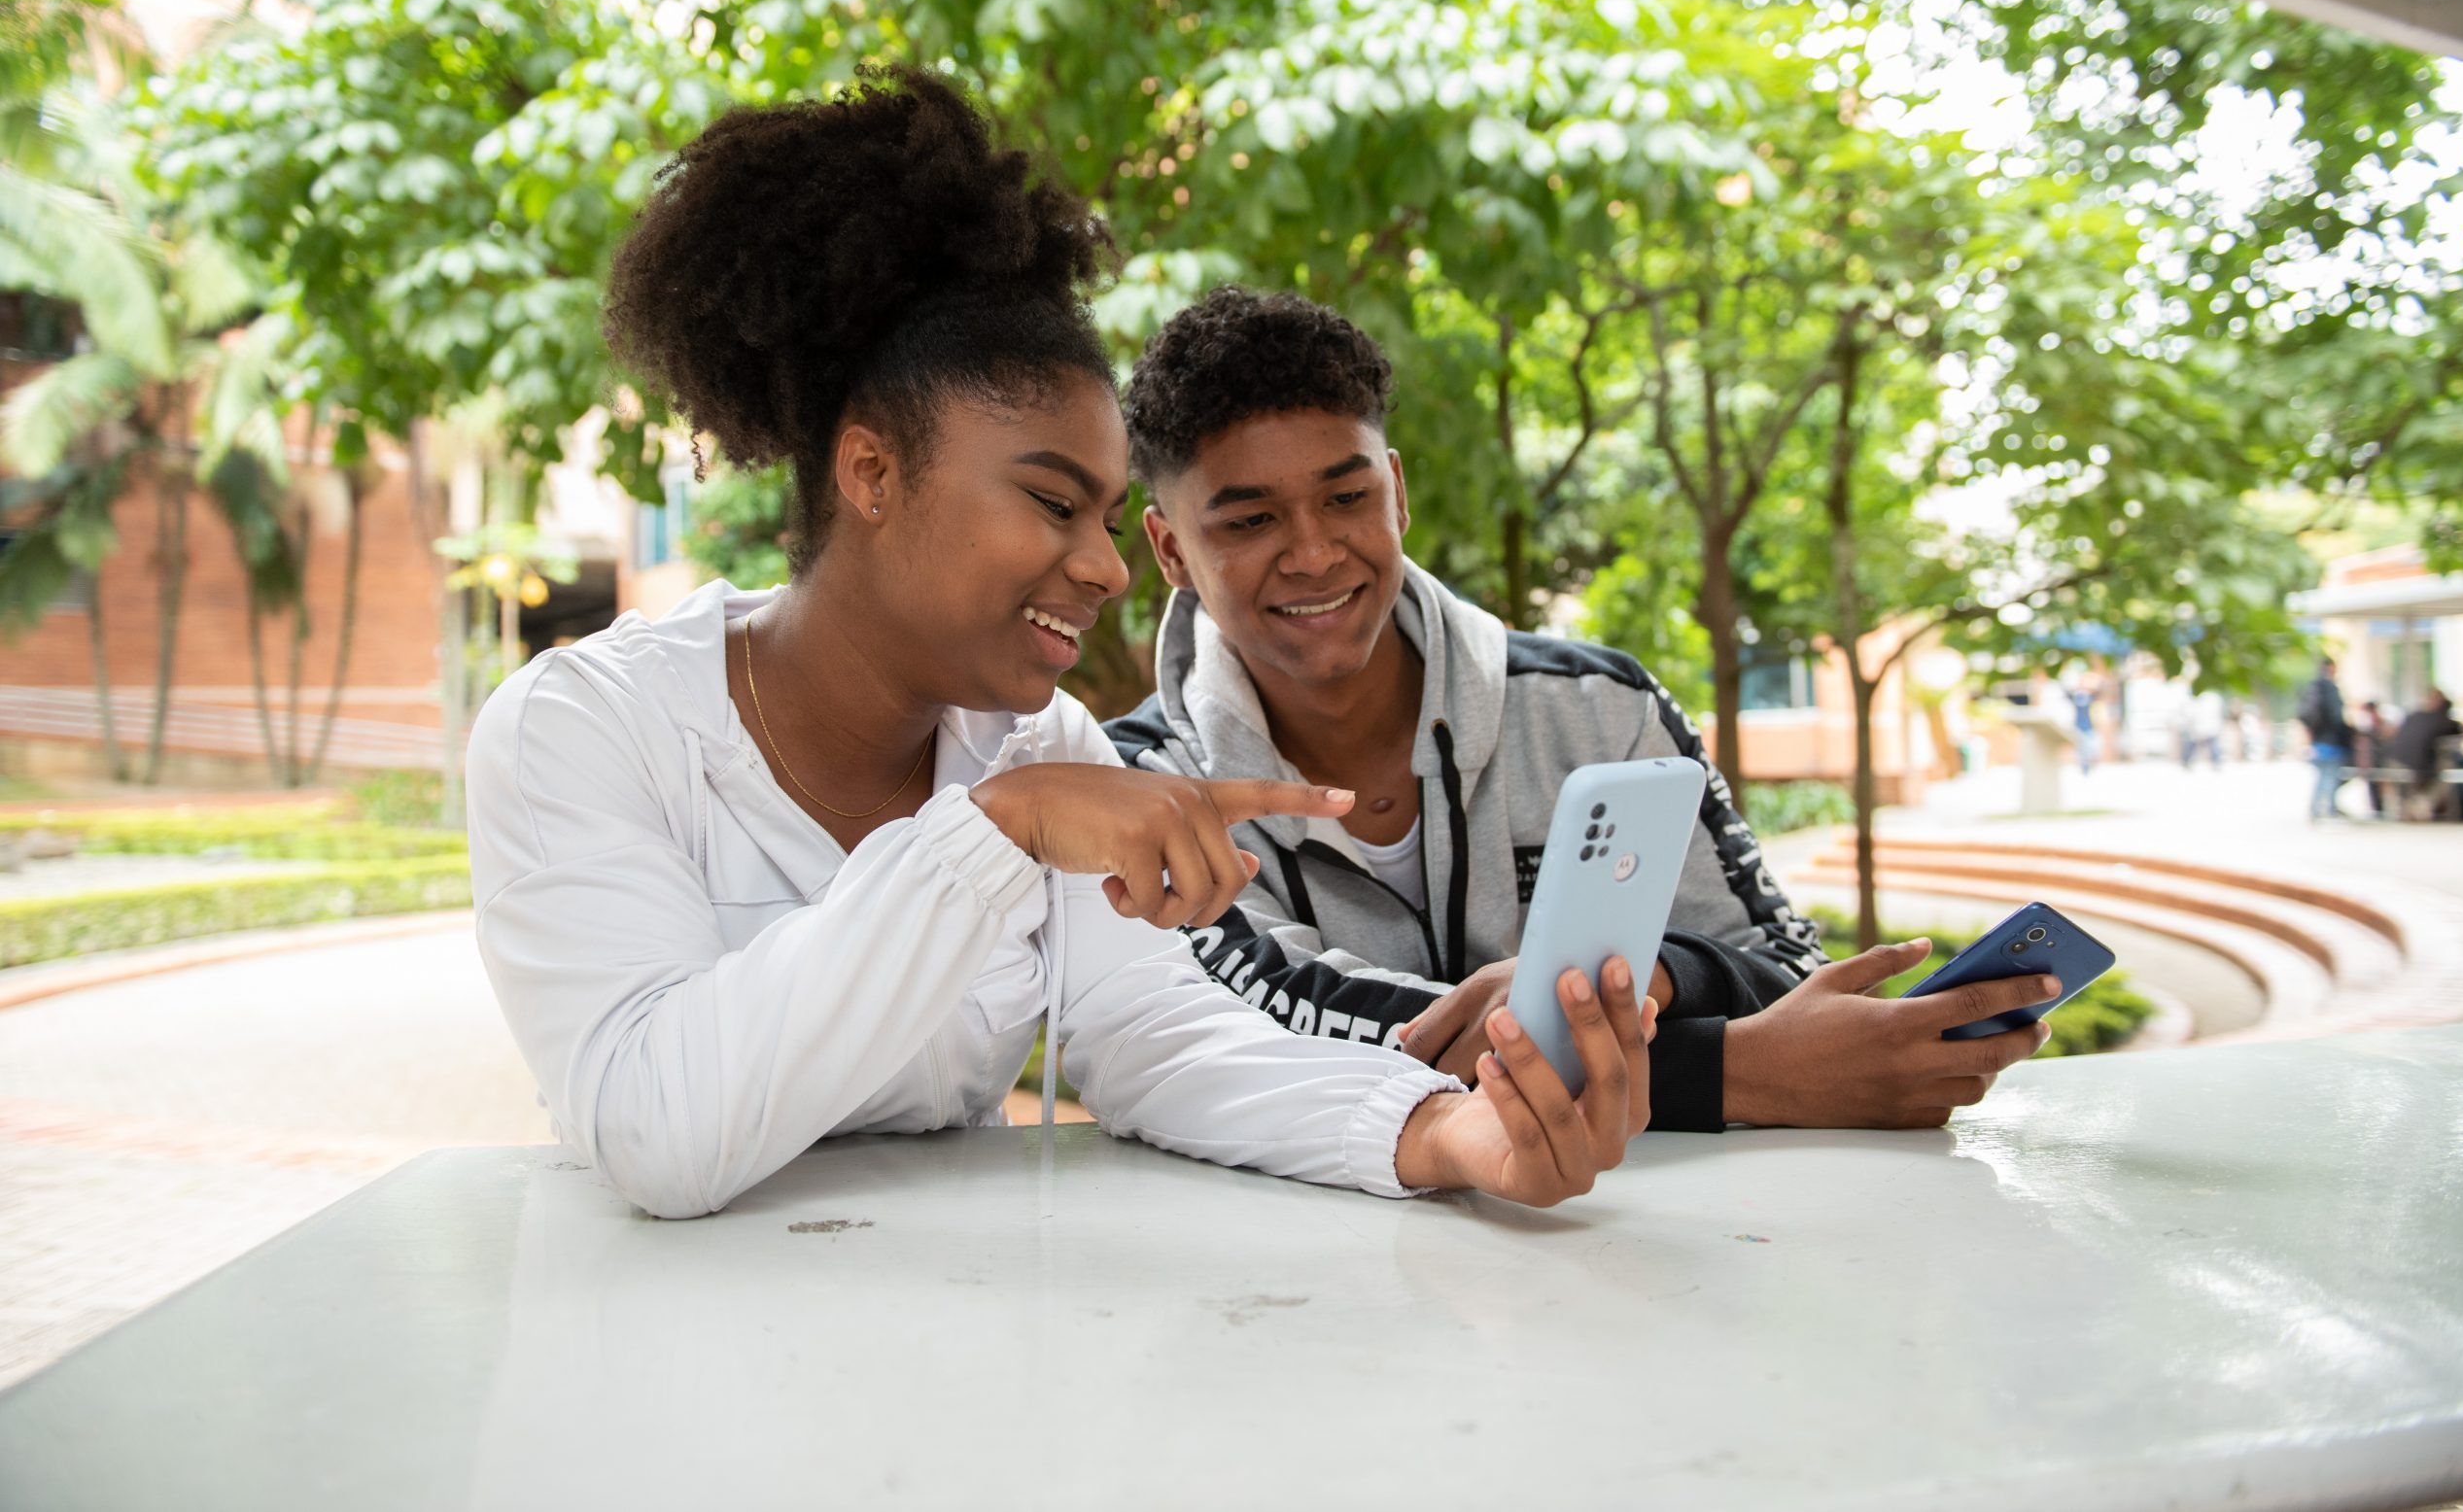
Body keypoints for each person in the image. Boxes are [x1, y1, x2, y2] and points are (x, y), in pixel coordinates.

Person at [465, 73, 1656, 1220]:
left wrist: (1446, 1132)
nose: (1102, 564)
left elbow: (1156, 1038)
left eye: (1104, 514)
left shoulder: (1038, 740)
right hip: (665, 1371)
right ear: (871, 472)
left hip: (954, 1356)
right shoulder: (586, 727)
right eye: (1051, 503)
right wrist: (993, 829)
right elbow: (655, 1129)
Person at [1104, 287, 2057, 1133]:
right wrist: (1741, 1070)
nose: (1313, 552)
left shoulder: (1600, 708)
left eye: (1344, 495)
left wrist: (1652, 976)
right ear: (1171, 549)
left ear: (1394, 491)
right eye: (1249, 520)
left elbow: (1776, 962)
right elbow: (1279, 1040)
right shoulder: (1142, 786)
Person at [2386, 689, 2461, 821]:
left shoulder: (2412, 716)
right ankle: (2423, 806)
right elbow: (2458, 735)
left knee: (2411, 783)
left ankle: (2407, 809)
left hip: (2394, 762)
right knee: (2448, 771)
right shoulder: (2442, 720)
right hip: (2419, 768)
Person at [2298, 658, 2353, 820]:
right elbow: (2337, 717)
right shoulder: (2329, 688)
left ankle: (2316, 810)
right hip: (2331, 740)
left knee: (2323, 775)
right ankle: (2329, 810)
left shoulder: (2313, 687)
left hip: (2318, 740)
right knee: (2329, 775)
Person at [2355, 700, 2395, 818]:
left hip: (2377, 758)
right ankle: (2377, 809)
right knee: (2373, 785)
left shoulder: (2376, 723)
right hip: (2372, 758)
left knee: (2378, 785)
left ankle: (2379, 809)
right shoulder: (2365, 724)